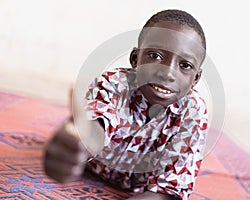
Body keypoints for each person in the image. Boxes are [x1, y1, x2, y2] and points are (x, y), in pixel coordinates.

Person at [44, 9, 208, 200]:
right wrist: (83, 138)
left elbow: (169, 191)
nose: (168, 73)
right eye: (155, 56)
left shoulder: (193, 112)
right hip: (92, 167)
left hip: (140, 189)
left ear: (195, 78)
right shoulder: (114, 84)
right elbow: (98, 124)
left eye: (185, 65)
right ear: (135, 60)